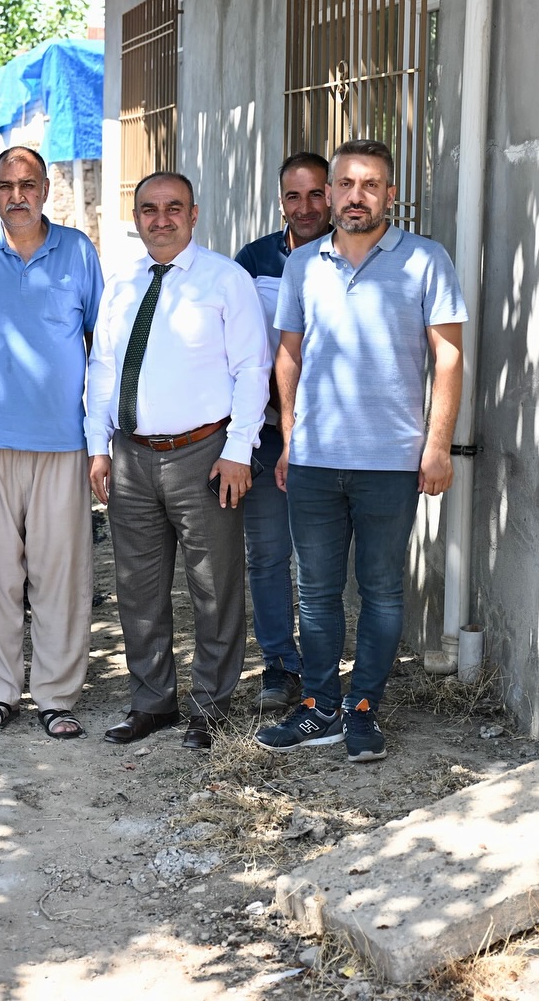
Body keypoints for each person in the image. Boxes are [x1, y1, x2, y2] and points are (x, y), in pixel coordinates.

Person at [257, 139, 466, 763]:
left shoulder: (426, 260)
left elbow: (448, 356)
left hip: (392, 461)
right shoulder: (303, 265)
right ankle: (320, 707)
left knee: (380, 591)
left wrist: (437, 446)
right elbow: (288, 355)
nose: (355, 196)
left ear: (390, 195)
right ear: (333, 191)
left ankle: (364, 707)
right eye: (345, 184)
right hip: (316, 459)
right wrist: (292, 439)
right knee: (315, 591)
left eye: (370, 185)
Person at [87, 171, 270, 751]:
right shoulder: (120, 285)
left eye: (172, 208)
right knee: (137, 587)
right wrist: (99, 446)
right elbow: (102, 370)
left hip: (205, 455)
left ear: (194, 214)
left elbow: (252, 370)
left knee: (214, 586)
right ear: (135, 216)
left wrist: (239, 451)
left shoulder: (226, 280)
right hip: (131, 455)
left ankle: (210, 707)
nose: (160, 219)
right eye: (148, 209)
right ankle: (151, 702)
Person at [0, 146, 103, 739]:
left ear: (47, 189)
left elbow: (101, 348)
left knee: (60, 572)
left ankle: (58, 696)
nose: (17, 195)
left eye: (28, 184)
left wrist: (99, 436)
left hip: (61, 440)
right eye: (6, 184)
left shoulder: (79, 252)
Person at [232, 152, 332, 712]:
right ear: (280, 203)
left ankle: (324, 670)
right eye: (293, 197)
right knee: (267, 553)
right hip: (269, 433)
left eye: (316, 194)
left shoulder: (349, 256)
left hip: (335, 436)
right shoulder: (254, 260)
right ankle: (280, 666)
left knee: (321, 559)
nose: (306, 207)